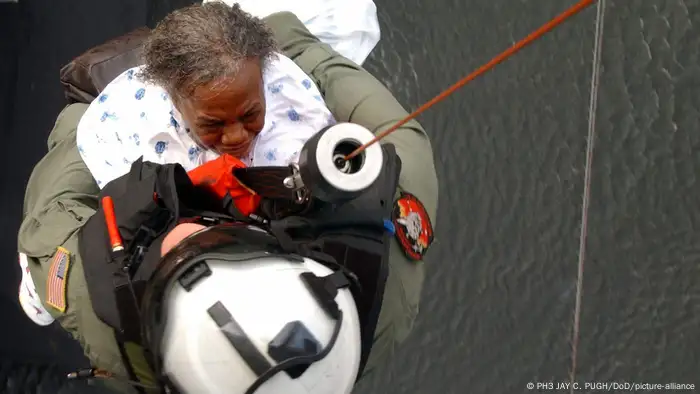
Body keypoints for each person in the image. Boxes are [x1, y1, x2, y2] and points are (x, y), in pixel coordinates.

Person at [17, 10, 438, 394]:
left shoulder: (113, 335)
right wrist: (288, 41)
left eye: (194, 261)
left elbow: (48, 225)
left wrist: (81, 116)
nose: (192, 234)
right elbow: (405, 144)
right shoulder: (385, 298)